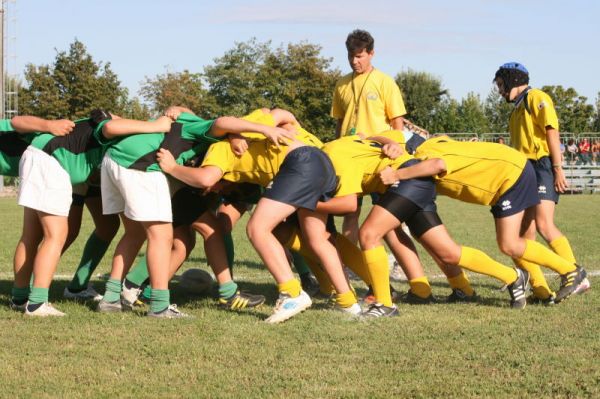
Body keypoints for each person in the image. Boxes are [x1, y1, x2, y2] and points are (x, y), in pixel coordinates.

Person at [157, 109, 361, 323]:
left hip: (300, 163)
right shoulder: (245, 132)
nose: (214, 192)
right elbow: (274, 115)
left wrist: (173, 167)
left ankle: (291, 293)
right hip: (323, 164)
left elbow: (206, 178)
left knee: (257, 228)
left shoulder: (218, 147)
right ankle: (348, 302)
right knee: (317, 238)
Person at [96, 107, 293, 318]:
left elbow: (204, 118)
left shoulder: (194, 127)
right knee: (164, 237)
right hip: (142, 164)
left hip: (115, 159)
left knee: (137, 234)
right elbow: (221, 121)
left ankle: (111, 297)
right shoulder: (204, 129)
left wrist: (236, 135)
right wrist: (263, 129)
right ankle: (159, 306)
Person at [380, 136, 588, 307]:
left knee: (509, 243)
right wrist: (383, 142)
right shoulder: (429, 144)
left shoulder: (427, 154)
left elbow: (438, 164)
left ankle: (571, 270)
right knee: (517, 241)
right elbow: (385, 135)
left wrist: (396, 174)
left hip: (510, 174)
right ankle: (542, 292)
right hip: (508, 172)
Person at [494, 62, 590, 303]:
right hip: (524, 171)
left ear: (512, 80)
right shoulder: (516, 108)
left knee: (545, 224)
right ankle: (539, 288)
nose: (500, 91)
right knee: (524, 234)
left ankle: (575, 273)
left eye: (501, 85)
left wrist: (558, 169)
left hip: (540, 166)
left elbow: (551, 132)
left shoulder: (536, 97)